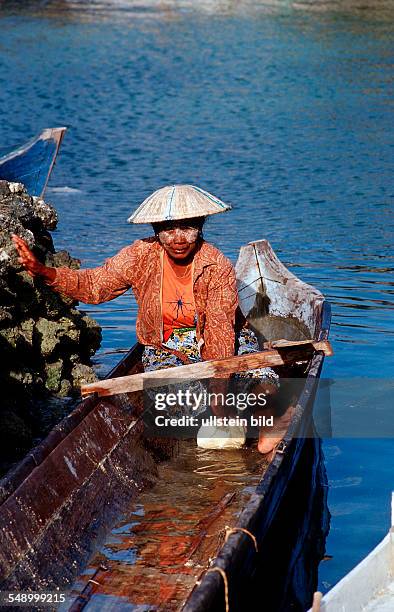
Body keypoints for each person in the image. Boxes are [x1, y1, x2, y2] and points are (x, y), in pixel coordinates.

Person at [12, 184, 280, 453]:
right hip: (167, 346)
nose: (178, 238)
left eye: (187, 228)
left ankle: (268, 420)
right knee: (174, 400)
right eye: (168, 229)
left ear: (200, 227)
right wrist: (44, 272)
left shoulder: (216, 265)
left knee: (262, 383)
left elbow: (220, 330)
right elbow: (95, 284)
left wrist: (219, 390)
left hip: (220, 339)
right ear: (156, 231)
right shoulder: (140, 255)